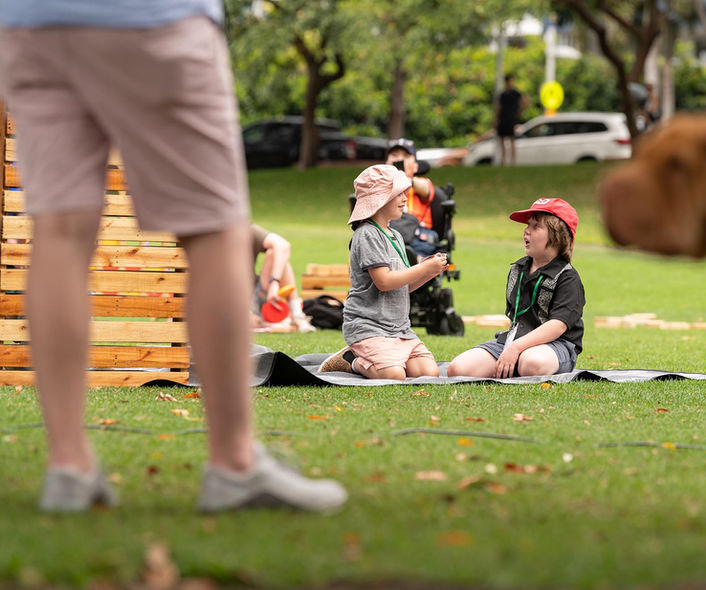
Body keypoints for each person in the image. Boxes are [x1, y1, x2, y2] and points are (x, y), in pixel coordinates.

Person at [0, 1, 346, 512]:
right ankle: (234, 465)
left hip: (31, 26)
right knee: (214, 229)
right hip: (151, 18)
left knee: (59, 232)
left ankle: (68, 469)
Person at [319, 165, 448, 380]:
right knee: (394, 375)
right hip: (369, 327)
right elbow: (384, 282)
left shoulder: (395, 235)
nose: (405, 199)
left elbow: (402, 286)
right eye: (398, 194)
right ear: (379, 199)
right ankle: (352, 359)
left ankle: (381, 358)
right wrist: (422, 268)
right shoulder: (367, 234)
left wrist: (428, 272)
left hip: (399, 328)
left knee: (428, 373)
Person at [447, 198, 585, 379]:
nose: (526, 231)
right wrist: (513, 347)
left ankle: (517, 363)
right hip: (515, 341)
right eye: (528, 225)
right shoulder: (518, 269)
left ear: (557, 236)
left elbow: (557, 326)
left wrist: (516, 348)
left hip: (555, 345)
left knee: (532, 364)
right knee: (458, 369)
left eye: (536, 226)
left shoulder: (568, 277)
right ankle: (514, 363)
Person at [250, 223, 315, 332]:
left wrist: (274, 282)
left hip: (255, 295)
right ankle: (270, 321)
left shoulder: (245, 230)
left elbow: (283, 245)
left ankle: (297, 316)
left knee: (275, 254)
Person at [385, 137, 438, 259]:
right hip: (389, 232)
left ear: (415, 166)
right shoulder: (381, 186)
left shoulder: (422, 183)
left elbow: (426, 190)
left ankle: (417, 265)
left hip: (417, 234)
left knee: (423, 246)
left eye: (406, 156)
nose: (399, 159)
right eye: (394, 155)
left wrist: (403, 178)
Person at [494, 74, 528, 166]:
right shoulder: (503, 94)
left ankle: (512, 162)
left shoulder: (516, 93)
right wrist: (496, 120)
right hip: (503, 119)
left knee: (512, 140)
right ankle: (503, 161)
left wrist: (519, 112)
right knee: (502, 141)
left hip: (511, 119)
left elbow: (525, 101)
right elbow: (498, 108)